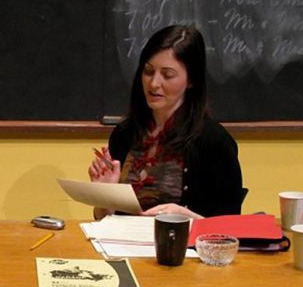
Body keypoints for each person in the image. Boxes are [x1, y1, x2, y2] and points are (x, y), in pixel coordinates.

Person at [89, 24, 244, 220]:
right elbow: (106, 221)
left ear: (191, 81)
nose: (154, 83)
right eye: (148, 71)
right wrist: (104, 198)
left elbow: (229, 232)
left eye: (168, 75)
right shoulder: (125, 133)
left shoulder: (214, 142)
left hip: (183, 248)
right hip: (124, 249)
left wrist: (185, 215)